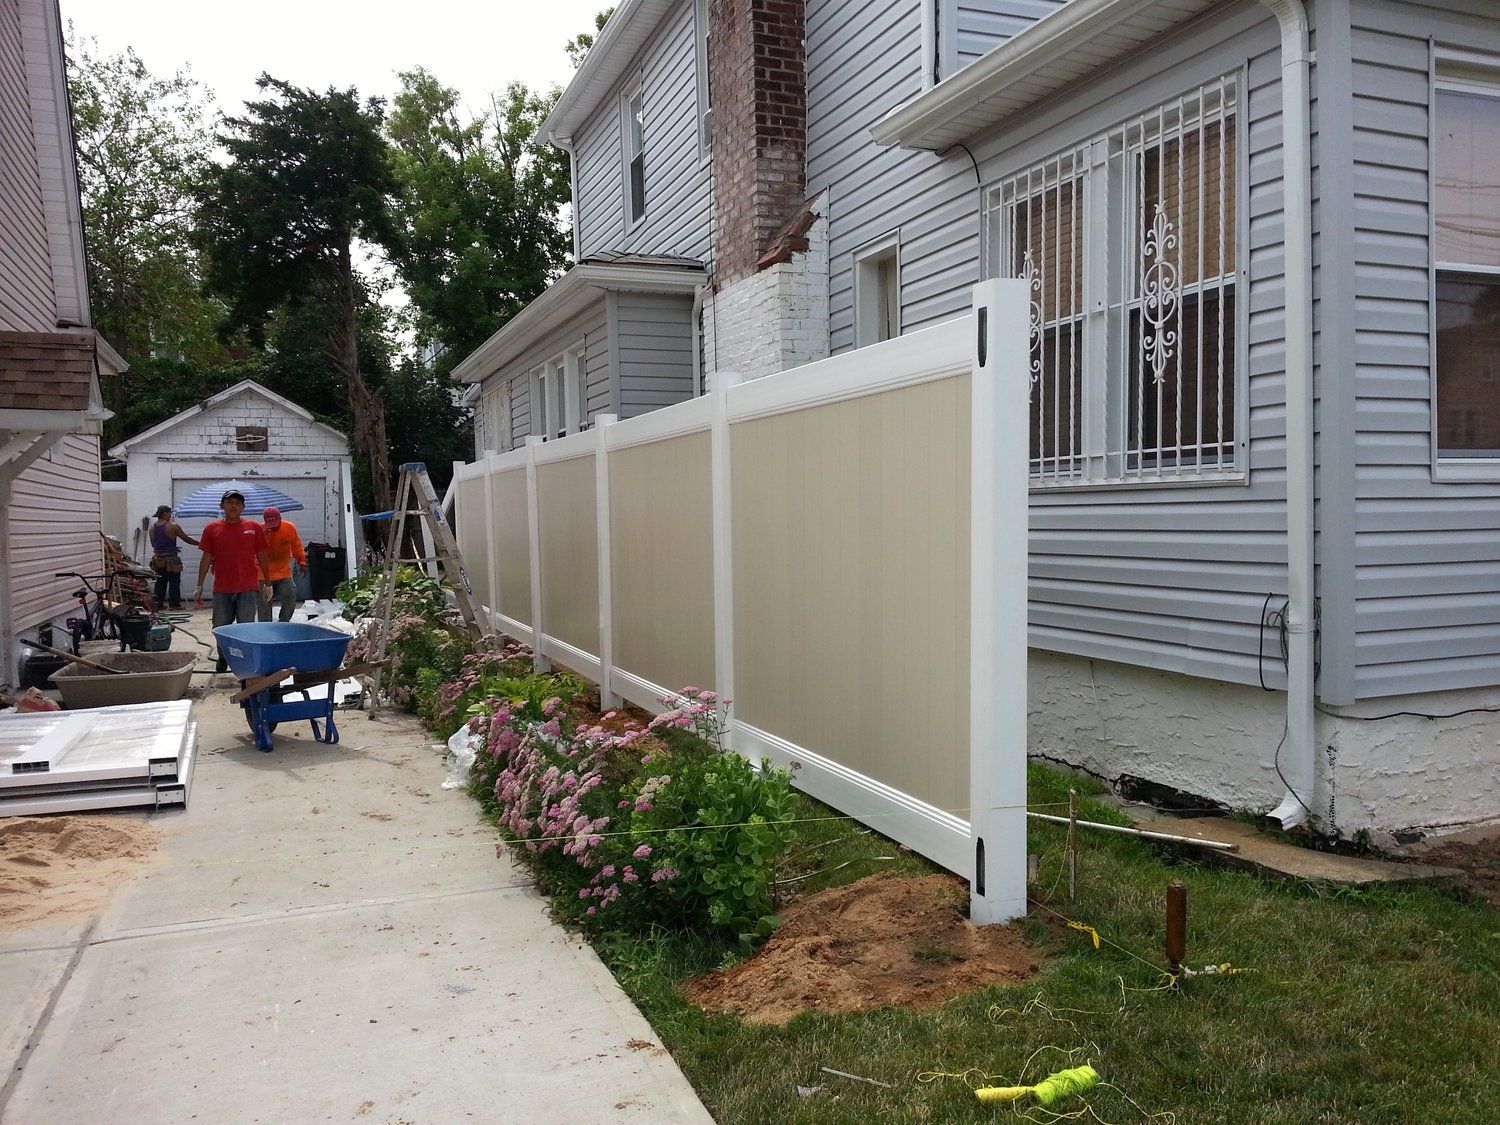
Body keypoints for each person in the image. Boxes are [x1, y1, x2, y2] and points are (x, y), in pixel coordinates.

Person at [193, 490, 271, 673]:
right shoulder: (212, 529)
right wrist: (199, 584)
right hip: (222, 588)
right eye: (229, 502)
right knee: (220, 627)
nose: (233, 505)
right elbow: (206, 557)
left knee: (246, 627)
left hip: (248, 588)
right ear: (222, 506)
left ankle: (245, 660)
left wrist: (268, 583)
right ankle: (223, 657)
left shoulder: (253, 527)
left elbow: (262, 555)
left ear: (243, 507)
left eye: (237, 502)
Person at [257, 506, 308, 623]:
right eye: (271, 525)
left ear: (280, 518)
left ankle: (284, 621)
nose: (274, 527)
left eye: (276, 524)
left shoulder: (289, 527)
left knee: (290, 594)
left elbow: (297, 545)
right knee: (264, 601)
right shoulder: (259, 530)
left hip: (283, 571)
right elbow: (251, 550)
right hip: (263, 573)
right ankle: (265, 626)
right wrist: (262, 537)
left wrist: (302, 561)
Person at [147, 505, 198, 609]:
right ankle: (174, 604)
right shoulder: (173, 526)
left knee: (160, 582)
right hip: (171, 560)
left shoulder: (152, 529)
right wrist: (200, 543)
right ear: (165, 514)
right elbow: (186, 539)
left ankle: (158, 604)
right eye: (170, 513)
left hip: (158, 560)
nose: (171, 515)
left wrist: (169, 548)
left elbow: (154, 544)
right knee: (174, 582)